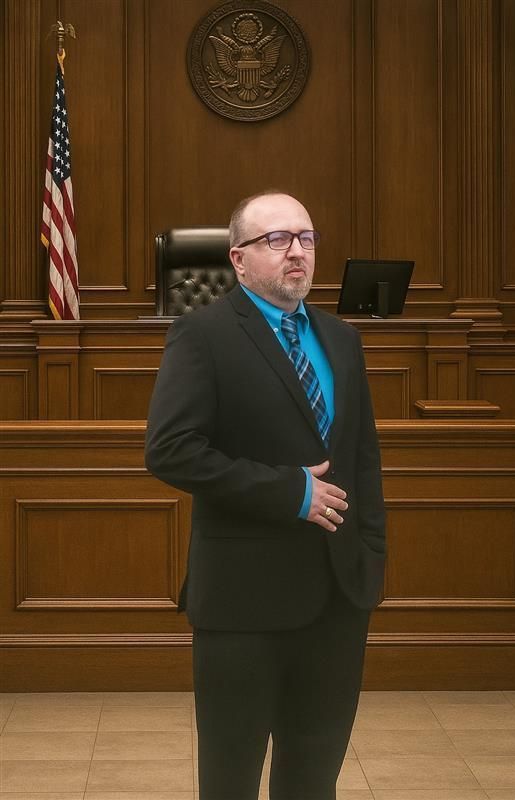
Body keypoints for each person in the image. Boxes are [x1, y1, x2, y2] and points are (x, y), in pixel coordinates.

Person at [145, 190, 386, 800]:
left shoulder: (342, 340)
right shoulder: (202, 334)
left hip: (337, 595)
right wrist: (290, 492)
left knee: (313, 777)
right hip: (242, 602)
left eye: (306, 238)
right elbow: (171, 449)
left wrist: (372, 560)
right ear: (239, 258)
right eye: (277, 240)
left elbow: (363, 462)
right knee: (230, 779)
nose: (296, 252)